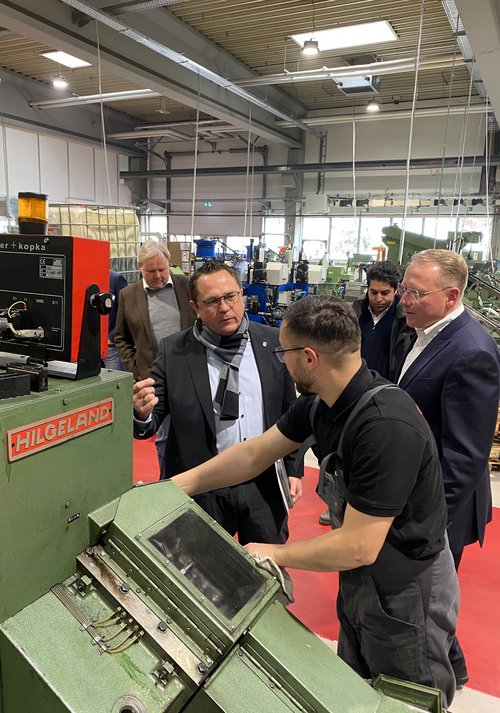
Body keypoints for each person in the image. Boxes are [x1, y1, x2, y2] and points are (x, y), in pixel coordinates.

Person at [170, 295, 459, 709]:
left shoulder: (384, 426)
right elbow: (254, 454)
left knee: (405, 697)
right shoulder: (323, 404)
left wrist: (272, 552)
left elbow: (358, 545)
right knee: (358, 690)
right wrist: (175, 487)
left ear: (308, 358)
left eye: (285, 353)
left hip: (406, 588)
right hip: (363, 577)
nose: (282, 363)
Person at [133, 260, 303, 547]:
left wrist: (293, 468)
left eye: (230, 296)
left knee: (267, 570)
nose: (224, 307)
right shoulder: (175, 351)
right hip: (202, 488)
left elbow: (291, 414)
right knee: (200, 576)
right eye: (211, 301)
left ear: (242, 295)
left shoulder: (272, 341)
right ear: (195, 307)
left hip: (263, 485)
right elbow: (148, 423)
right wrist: (141, 412)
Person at [397, 248, 500, 689]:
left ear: (452, 296)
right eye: (404, 288)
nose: (403, 299)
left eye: (415, 293)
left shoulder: (471, 352)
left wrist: (431, 521)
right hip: (418, 496)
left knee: (428, 603)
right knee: (425, 599)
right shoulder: (421, 332)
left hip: (440, 509)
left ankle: (437, 684)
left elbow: (464, 456)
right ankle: (450, 665)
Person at [319, 260, 414, 525]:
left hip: (384, 397)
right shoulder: (355, 312)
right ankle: (338, 505)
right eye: (374, 292)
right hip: (350, 394)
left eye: (386, 293)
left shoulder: (403, 320)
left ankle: (375, 513)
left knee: (375, 457)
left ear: (396, 290)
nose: (379, 298)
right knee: (341, 454)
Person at [114, 241, 195, 380]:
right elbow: (121, 338)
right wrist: (135, 370)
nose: (157, 276)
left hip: (188, 369)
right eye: (151, 271)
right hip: (150, 376)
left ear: (168, 263)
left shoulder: (188, 286)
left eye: (162, 269)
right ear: (140, 267)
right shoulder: (127, 295)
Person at [103, 269, 128, 371]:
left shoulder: (116, 279)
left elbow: (126, 311)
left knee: (115, 381)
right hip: (92, 345)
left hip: (110, 345)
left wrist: (112, 337)